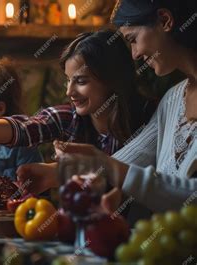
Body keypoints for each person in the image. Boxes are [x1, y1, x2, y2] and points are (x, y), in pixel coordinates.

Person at [54, 0, 197, 217]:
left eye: (133, 39)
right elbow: (128, 159)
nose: (135, 55)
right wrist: (53, 172)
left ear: (165, 21)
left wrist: (102, 164)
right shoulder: (173, 100)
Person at [0, 31, 155, 196]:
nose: (69, 92)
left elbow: (137, 181)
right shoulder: (71, 118)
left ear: (112, 79)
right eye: (68, 81)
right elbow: (28, 126)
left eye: (81, 81)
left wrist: (57, 173)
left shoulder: (147, 118)